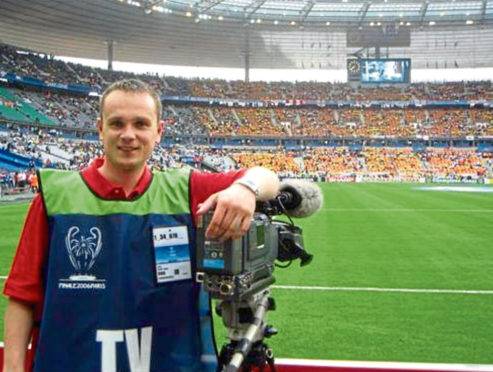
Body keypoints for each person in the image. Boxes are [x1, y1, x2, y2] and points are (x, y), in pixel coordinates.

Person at [3, 79, 279, 372]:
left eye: (141, 124)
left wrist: (245, 188)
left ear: (158, 132)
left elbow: (268, 177)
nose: (128, 135)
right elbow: (23, 296)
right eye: (117, 123)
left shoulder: (186, 190)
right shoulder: (55, 196)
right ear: (100, 129)